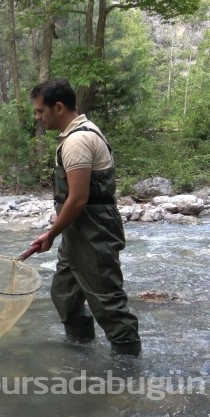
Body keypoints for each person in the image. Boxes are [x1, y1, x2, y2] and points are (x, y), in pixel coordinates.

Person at [29, 78, 141, 357]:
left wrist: (51, 234)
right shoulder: (74, 135)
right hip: (78, 231)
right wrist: (59, 233)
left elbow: (77, 199)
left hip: (95, 231)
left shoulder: (78, 140)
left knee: (107, 302)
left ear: (59, 107)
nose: (38, 117)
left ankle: (128, 370)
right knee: (65, 293)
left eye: (41, 111)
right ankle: (80, 355)